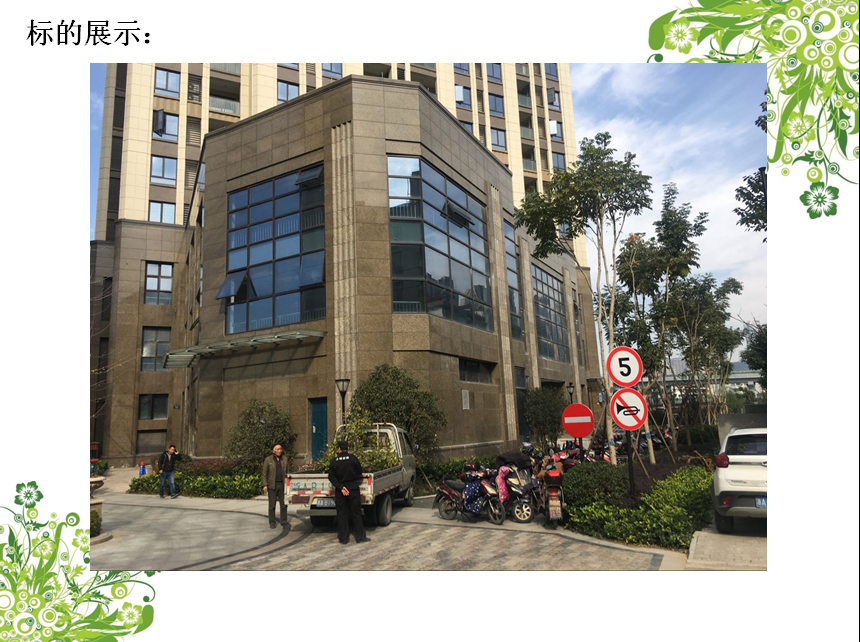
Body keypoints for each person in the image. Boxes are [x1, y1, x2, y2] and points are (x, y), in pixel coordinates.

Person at [327, 440, 369, 545]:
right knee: (356, 514)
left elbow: (331, 477)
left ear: (339, 449)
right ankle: (360, 537)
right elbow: (359, 471)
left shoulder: (334, 461)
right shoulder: (353, 458)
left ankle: (343, 538)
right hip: (353, 488)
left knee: (342, 515)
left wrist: (341, 487)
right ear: (347, 448)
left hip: (340, 490)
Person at [262, 444, 289, 529]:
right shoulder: (268, 460)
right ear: (273, 451)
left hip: (282, 485)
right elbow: (264, 473)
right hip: (272, 485)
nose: (279, 451)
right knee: (272, 505)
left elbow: (287, 472)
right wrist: (265, 484)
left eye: (280, 449)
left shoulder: (284, 459)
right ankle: (272, 522)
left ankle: (284, 521)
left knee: (283, 505)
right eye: (277, 449)